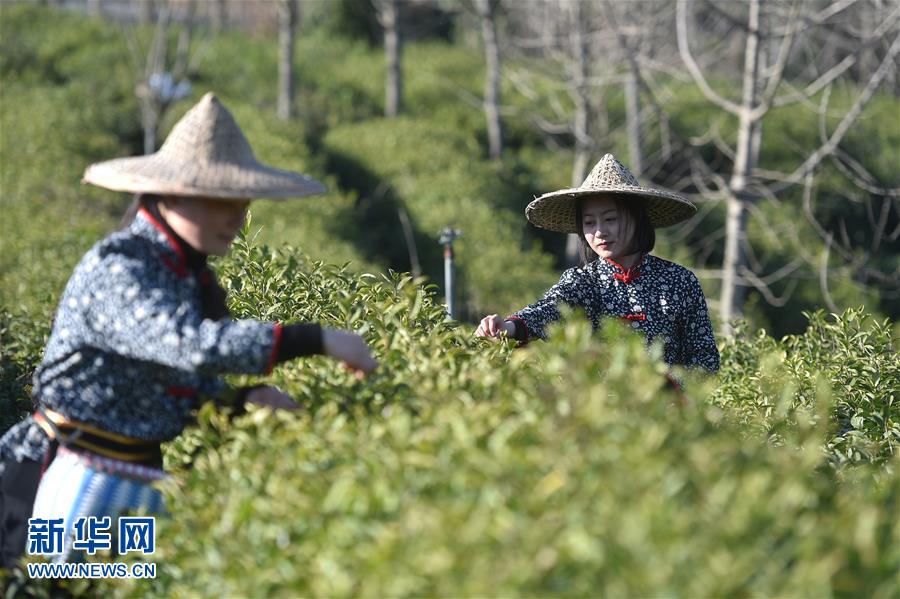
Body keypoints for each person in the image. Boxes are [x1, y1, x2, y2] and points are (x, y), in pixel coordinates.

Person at [0, 92, 378, 565]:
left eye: (241, 202)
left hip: (133, 479)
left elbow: (175, 386)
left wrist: (239, 402)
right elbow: (188, 346)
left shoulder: (186, 274)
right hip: (65, 476)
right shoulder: (121, 267)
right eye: (220, 200)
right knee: (53, 587)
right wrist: (318, 338)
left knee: (130, 587)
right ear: (172, 194)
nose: (237, 217)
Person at [475, 153, 720, 374]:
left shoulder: (679, 281)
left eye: (610, 219)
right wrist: (509, 327)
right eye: (590, 223)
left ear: (636, 219)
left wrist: (669, 384)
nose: (600, 232)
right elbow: (549, 309)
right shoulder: (583, 281)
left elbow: (706, 360)